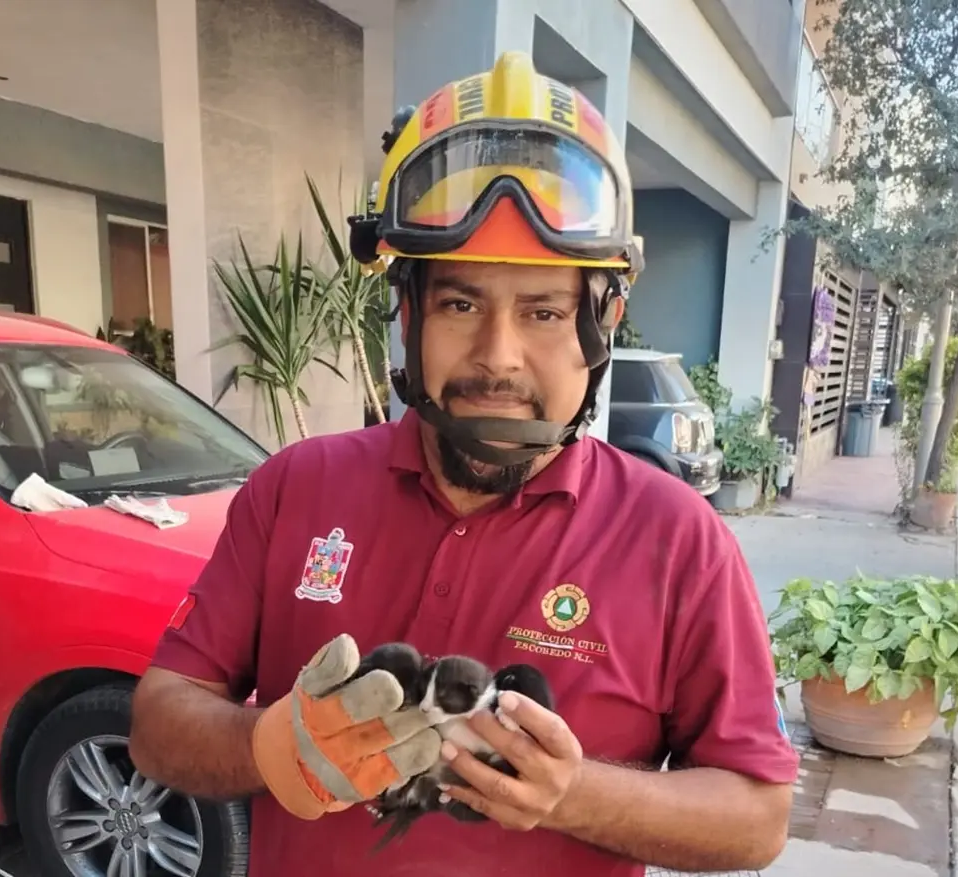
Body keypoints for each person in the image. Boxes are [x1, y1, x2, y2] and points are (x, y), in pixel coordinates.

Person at [129, 50, 798, 877]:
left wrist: (573, 794)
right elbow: (159, 720)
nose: (498, 355)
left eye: (543, 311)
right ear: (407, 313)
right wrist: (272, 746)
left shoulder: (678, 539)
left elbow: (758, 816)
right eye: (459, 302)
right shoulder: (295, 488)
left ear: (603, 320)